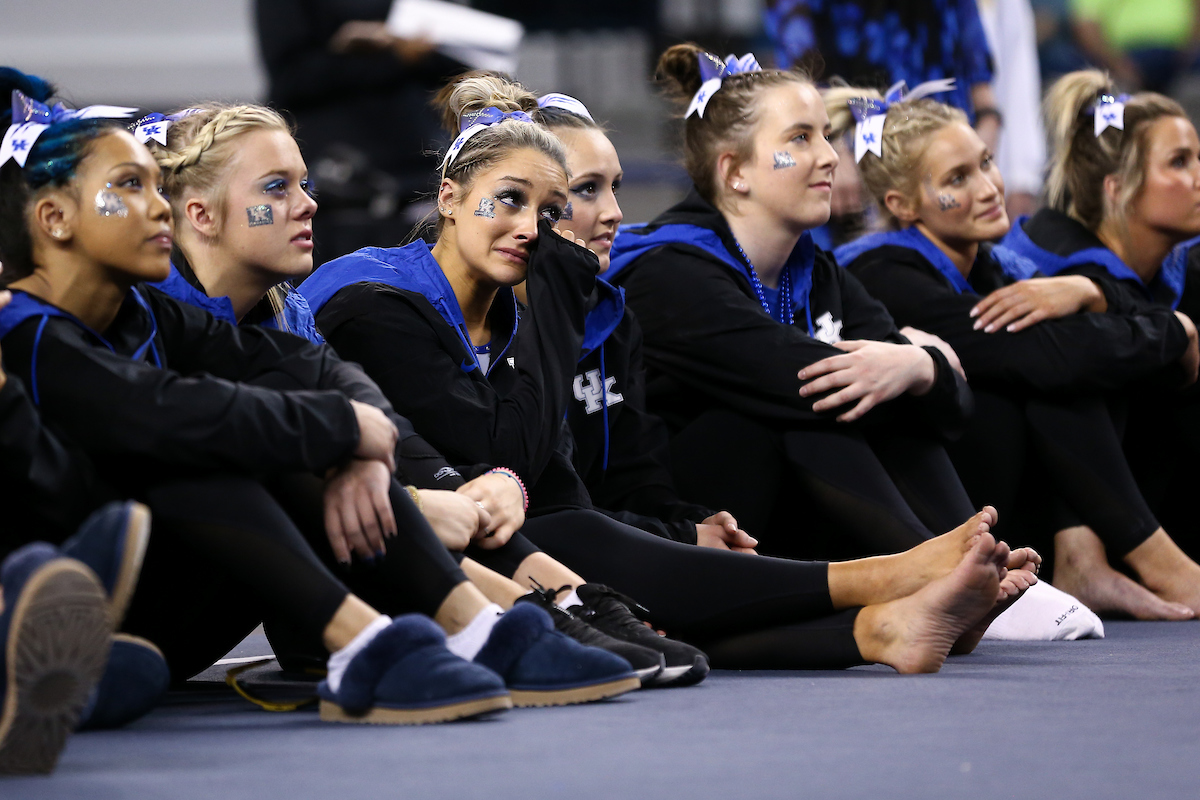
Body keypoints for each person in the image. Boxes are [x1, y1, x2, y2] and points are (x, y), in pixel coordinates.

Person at [300, 69, 1038, 674]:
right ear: (449, 199)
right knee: (575, 533)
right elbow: (512, 480)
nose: (611, 214)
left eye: (572, 198)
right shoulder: (388, 302)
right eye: (578, 196)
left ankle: (879, 627)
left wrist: (680, 526)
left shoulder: (578, 303)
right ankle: (884, 577)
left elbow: (596, 476)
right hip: (403, 557)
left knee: (596, 538)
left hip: (531, 537)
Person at [0, 69, 639, 722]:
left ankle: (476, 626)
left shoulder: (166, 315)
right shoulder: (21, 330)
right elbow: (168, 415)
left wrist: (361, 443)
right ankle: (381, 639)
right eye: (129, 188)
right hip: (69, 590)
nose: (158, 203)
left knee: (298, 440)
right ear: (53, 219)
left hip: (161, 600)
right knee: (232, 442)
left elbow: (309, 370)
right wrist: (362, 447)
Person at [146, 100, 687, 685]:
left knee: (363, 460)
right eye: (278, 188)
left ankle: (558, 604)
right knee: (300, 461)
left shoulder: (287, 312)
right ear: (200, 214)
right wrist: (426, 497)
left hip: (222, 604)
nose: (309, 204)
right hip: (146, 595)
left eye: (305, 184)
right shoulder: (365, 301)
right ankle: (500, 623)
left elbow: (388, 426)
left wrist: (484, 487)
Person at [825, 82, 1200, 621]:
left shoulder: (993, 264)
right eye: (959, 178)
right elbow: (1051, 356)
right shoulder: (885, 272)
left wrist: (1091, 292)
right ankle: (1151, 561)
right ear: (901, 204)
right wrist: (1178, 332)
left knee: (1078, 366)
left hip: (993, 496)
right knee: (1056, 375)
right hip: (914, 510)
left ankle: (1085, 558)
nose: (988, 186)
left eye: (986, 163)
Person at [606, 45, 985, 564]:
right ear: (735, 170)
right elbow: (803, 384)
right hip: (683, 525)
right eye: (801, 138)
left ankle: (967, 561)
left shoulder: (814, 268)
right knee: (812, 409)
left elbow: (952, 411)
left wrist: (919, 366)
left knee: (881, 400)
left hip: (793, 518)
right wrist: (912, 362)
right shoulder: (669, 272)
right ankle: (944, 573)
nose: (830, 156)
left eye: (826, 135)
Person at [997, 69, 1200, 613]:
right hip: (1016, 517)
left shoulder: (1179, 258)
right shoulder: (1042, 258)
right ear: (1118, 189)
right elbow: (1058, 362)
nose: (1198, 176)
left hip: (1138, 494)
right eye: (1180, 163)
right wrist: (1173, 332)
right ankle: (1098, 562)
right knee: (1089, 361)